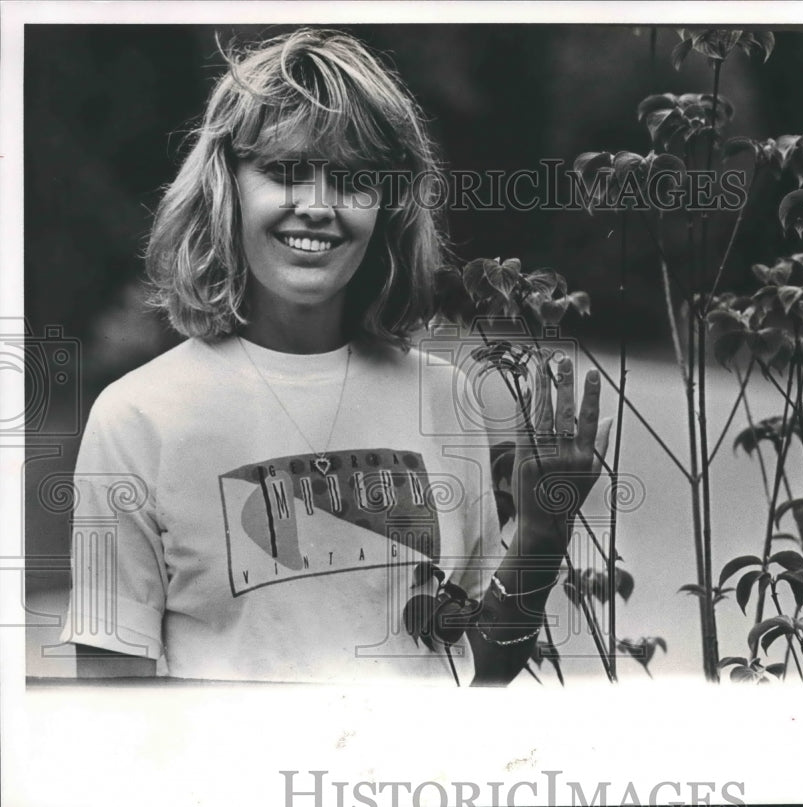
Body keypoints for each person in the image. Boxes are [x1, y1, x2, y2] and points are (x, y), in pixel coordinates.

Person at [60, 28, 610, 685]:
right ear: (224, 187)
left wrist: (543, 533)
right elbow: (106, 708)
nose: (318, 206)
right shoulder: (135, 419)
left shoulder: (444, 398)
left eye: (351, 179)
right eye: (285, 170)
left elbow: (477, 676)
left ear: (388, 206)